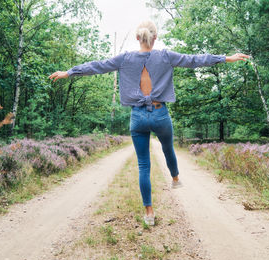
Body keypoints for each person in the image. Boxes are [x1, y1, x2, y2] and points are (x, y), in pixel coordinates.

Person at [48, 21, 250, 226]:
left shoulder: (125, 58)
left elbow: (97, 66)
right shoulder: (166, 56)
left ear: (138, 38)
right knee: (168, 148)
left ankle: (149, 213)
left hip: (137, 117)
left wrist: (69, 72)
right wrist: (226, 58)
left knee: (143, 165)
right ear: (155, 37)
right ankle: (175, 178)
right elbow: (195, 60)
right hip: (160, 114)